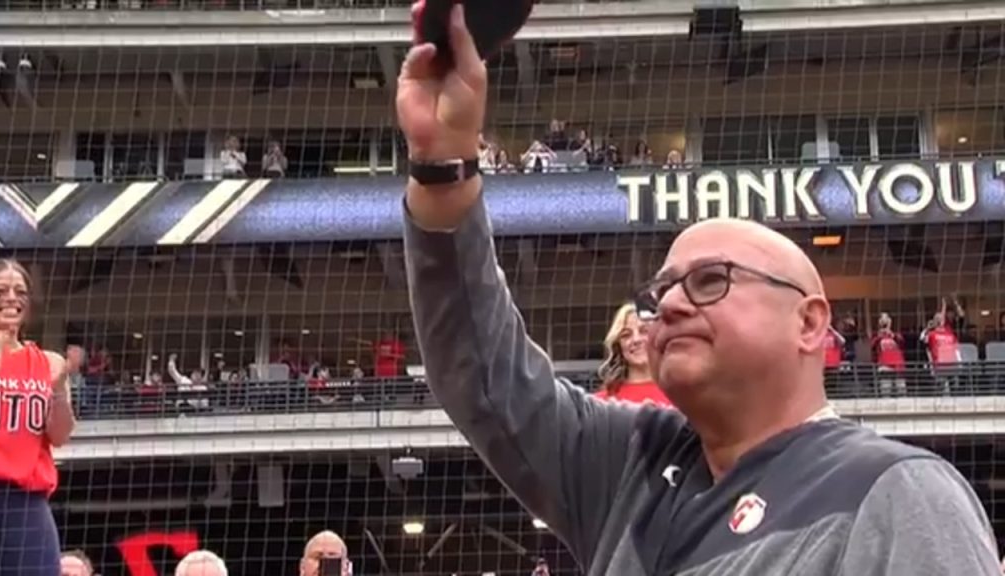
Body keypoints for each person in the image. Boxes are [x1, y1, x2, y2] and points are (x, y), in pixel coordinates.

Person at [395, 6, 1000, 574]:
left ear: (811, 323)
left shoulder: (897, 491)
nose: (671, 305)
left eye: (711, 281)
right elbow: (484, 375)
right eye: (661, 293)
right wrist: (442, 165)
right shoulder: (629, 466)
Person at [0, 259, 80, 576]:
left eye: (19, 291)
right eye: (0, 290)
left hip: (24, 502)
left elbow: (61, 436)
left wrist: (59, 387)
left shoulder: (45, 362)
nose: (11, 297)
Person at [594, 302, 672, 407]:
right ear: (618, 346)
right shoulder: (602, 404)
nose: (636, 340)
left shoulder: (684, 396)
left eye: (644, 331)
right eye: (626, 335)